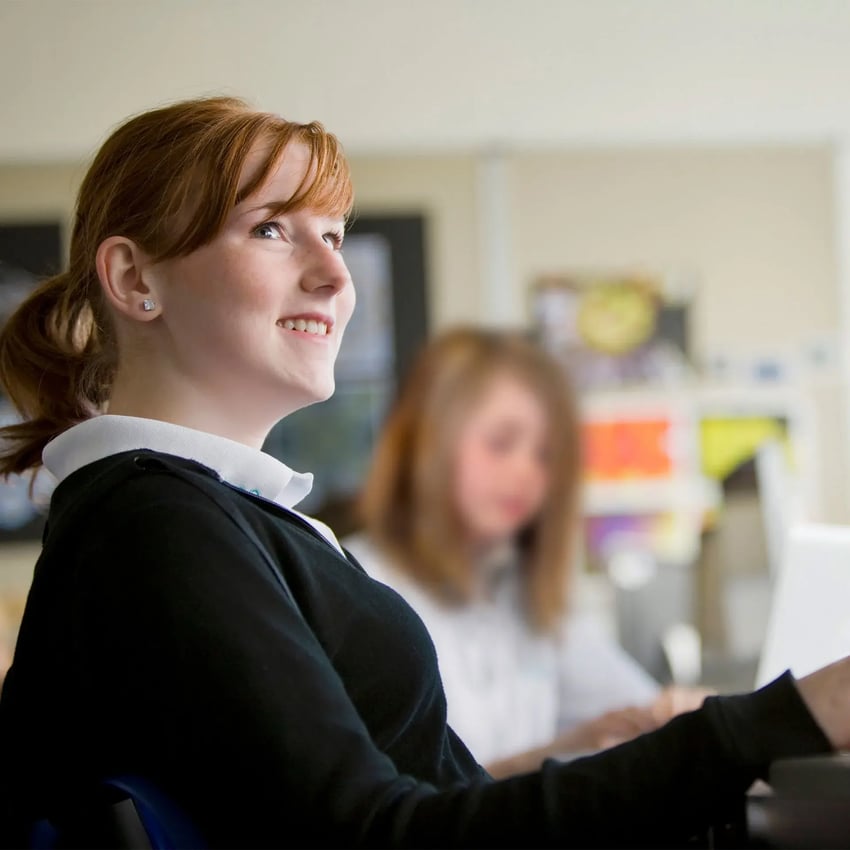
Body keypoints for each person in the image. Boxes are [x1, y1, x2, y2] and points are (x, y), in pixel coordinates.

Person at [0, 95, 846, 849]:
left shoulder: (210, 516)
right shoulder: (160, 526)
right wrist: (779, 722)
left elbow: (431, 802)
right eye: (270, 229)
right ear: (134, 278)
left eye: (332, 236)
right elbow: (379, 834)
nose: (335, 274)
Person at [344, 327, 711, 779]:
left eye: (545, 455)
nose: (525, 473)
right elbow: (395, 809)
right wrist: (554, 755)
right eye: (500, 444)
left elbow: (638, 709)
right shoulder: (356, 585)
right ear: (428, 441)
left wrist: (690, 714)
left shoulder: (524, 594)